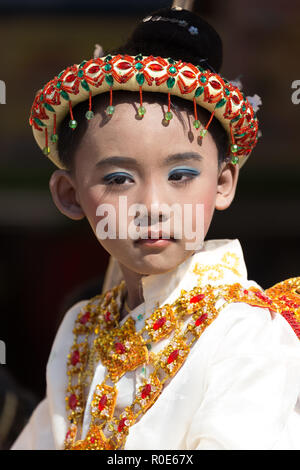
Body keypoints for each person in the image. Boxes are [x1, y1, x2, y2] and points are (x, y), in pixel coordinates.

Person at [11, 6, 300, 450]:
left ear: (223, 183)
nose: (153, 206)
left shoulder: (246, 331)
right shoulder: (82, 327)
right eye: (118, 179)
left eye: (181, 175)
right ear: (70, 194)